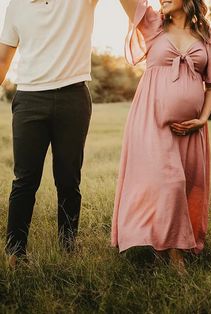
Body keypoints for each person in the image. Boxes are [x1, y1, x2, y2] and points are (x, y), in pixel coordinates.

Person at [112, 0, 211, 272]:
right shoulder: (153, 23)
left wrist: (202, 119)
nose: (161, 0)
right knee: (170, 182)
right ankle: (174, 257)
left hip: (191, 128)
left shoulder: (208, 36)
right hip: (150, 121)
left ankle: (163, 243)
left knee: (185, 185)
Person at [0, 0, 99, 268]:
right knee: (24, 179)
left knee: (68, 178)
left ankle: (68, 248)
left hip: (73, 96)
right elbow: (2, 60)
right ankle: (16, 253)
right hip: (29, 100)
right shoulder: (15, 6)